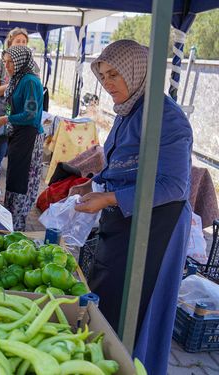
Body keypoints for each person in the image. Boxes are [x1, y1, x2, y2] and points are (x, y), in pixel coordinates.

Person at [68, 40, 192, 375]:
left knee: (140, 310)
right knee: (109, 295)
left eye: (114, 75)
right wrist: (94, 183)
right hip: (126, 218)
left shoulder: (168, 119)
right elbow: (123, 164)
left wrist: (108, 199)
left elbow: (174, 185)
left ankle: (132, 366)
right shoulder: (129, 110)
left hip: (158, 227)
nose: (107, 83)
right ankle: (107, 359)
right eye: (103, 75)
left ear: (137, 73)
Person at [0, 46, 44, 231]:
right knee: (13, 177)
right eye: (4, 62)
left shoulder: (29, 81)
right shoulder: (17, 79)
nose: (7, 66)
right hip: (18, 134)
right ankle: (9, 219)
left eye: (10, 62)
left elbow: (30, 114)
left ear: (21, 61)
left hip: (29, 136)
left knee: (22, 180)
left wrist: (5, 119)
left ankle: (18, 225)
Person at [0, 28, 30, 170]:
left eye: (24, 42)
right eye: (18, 41)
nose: (21, 44)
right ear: (10, 43)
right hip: (1, 111)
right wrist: (13, 84)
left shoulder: (30, 66)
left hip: (21, 115)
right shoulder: (0, 64)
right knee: (0, 144)